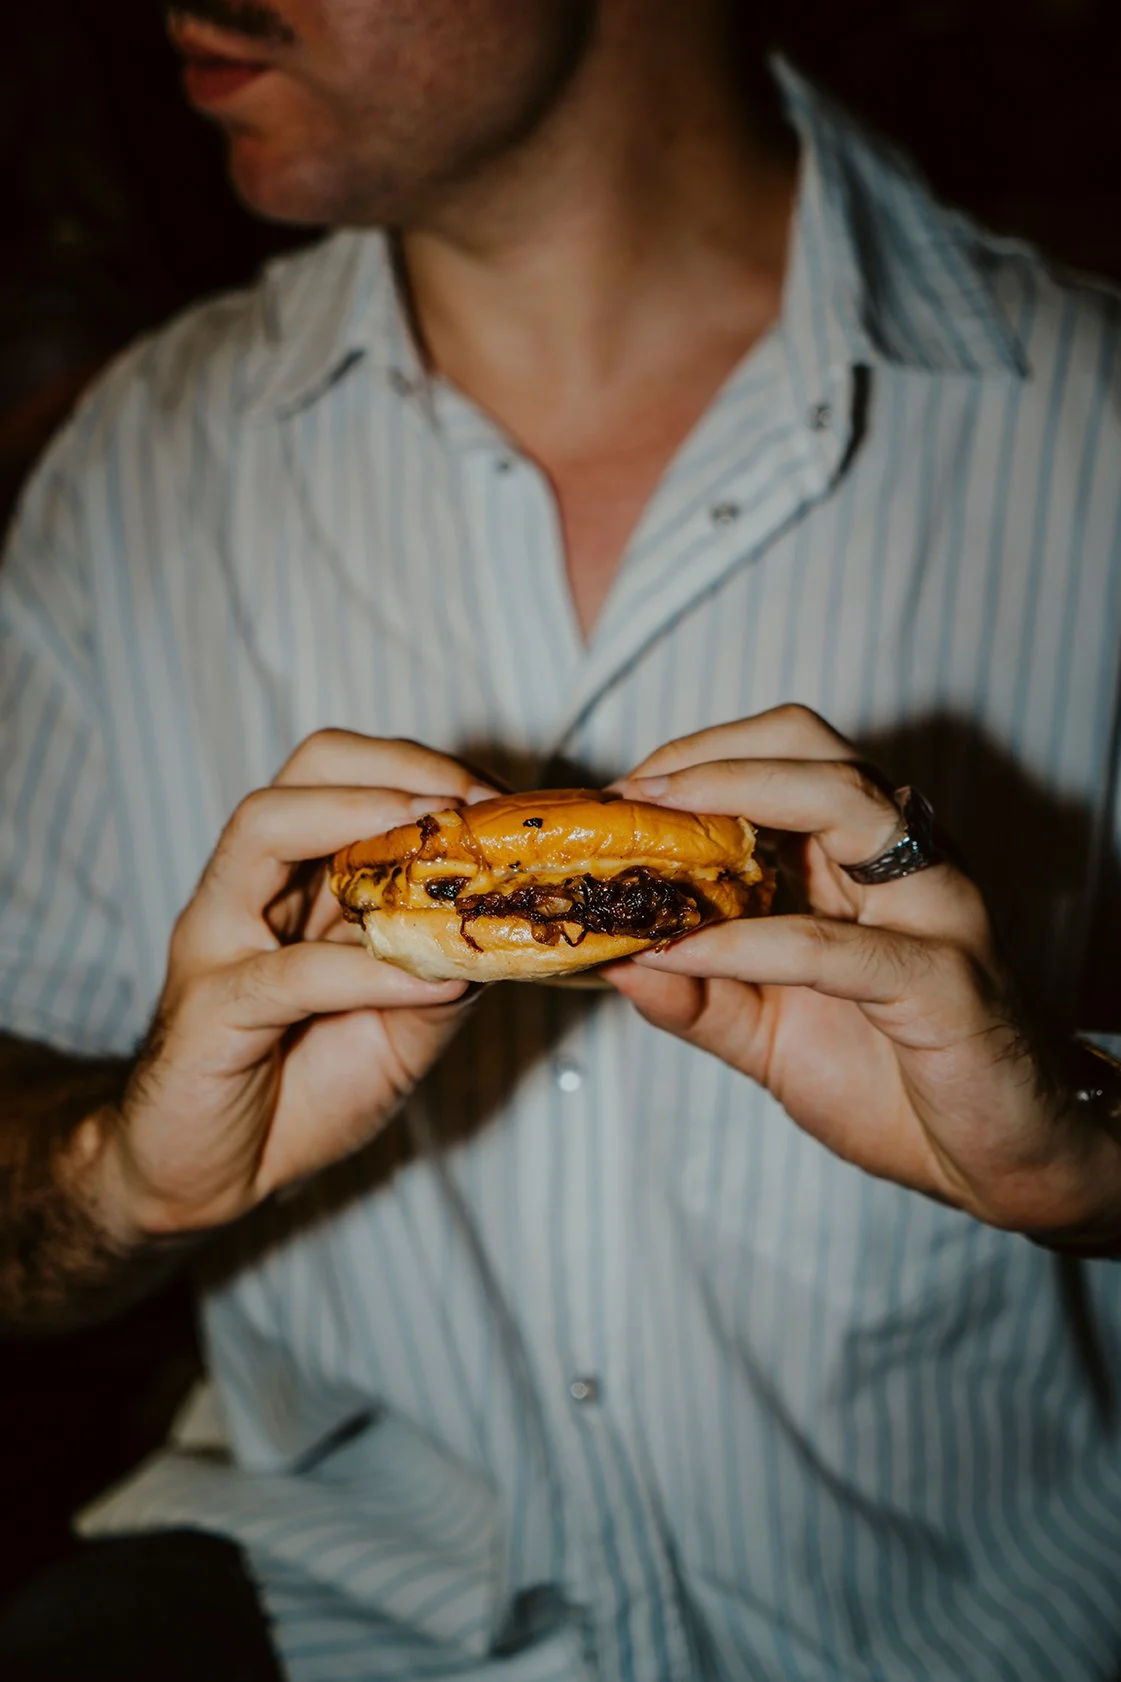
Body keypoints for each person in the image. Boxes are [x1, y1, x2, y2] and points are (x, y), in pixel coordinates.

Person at [0, 1, 1119, 1678]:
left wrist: (1090, 1155)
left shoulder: (1093, 436)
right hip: (316, 1619)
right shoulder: (124, 477)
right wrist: (118, 1172)